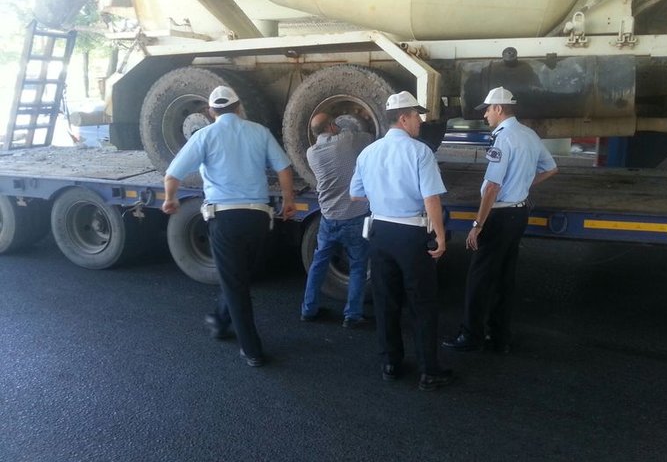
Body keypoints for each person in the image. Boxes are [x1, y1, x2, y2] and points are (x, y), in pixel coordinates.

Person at [161, 85, 296, 368]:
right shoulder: (258, 131)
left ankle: (252, 350)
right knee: (239, 277)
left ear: (211, 112)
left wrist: (171, 199)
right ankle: (220, 319)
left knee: (236, 283)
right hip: (259, 218)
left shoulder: (204, 135)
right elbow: (284, 168)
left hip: (224, 218)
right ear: (239, 107)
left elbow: (172, 174)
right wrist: (288, 201)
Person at [350, 90, 453, 392]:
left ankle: (390, 363)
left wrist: (382, 193)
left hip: (380, 230)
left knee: (386, 301)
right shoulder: (420, 152)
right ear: (403, 118)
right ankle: (429, 370)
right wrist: (440, 235)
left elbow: (356, 193)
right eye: (417, 115)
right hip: (411, 233)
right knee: (422, 302)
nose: (421, 121)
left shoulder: (368, 153)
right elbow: (430, 197)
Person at [442, 86, 558, 354]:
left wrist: (477, 225)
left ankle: (470, 335)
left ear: (498, 109)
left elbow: (492, 187)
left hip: (500, 215)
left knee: (479, 277)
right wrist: (525, 183)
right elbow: (552, 168)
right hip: (519, 214)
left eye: (486, 110)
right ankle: (500, 337)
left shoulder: (503, 139)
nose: (485, 116)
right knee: (505, 277)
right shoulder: (529, 134)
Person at [300, 113, 374, 328]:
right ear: (332, 126)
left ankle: (308, 309)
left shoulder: (311, 152)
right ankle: (352, 315)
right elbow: (368, 136)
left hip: (328, 218)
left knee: (319, 264)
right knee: (359, 266)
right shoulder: (347, 140)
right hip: (354, 216)